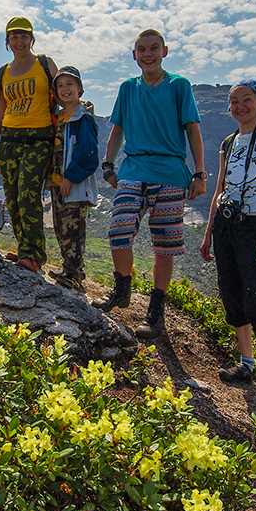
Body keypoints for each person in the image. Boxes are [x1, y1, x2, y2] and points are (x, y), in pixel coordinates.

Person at [93, 29, 207, 338]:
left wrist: (199, 172)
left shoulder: (178, 85)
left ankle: (155, 313)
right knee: (119, 228)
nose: (148, 54)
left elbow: (192, 130)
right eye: (141, 49)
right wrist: (108, 164)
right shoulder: (128, 88)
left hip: (170, 171)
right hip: (133, 168)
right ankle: (122, 289)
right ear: (134, 55)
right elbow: (117, 130)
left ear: (164, 51)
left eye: (153, 48)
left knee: (165, 245)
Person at [200, 79, 256, 414]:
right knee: (232, 293)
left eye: (246, 100)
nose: (239, 106)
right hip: (226, 226)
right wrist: (209, 232)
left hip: (255, 227)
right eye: (233, 101)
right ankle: (247, 363)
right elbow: (220, 188)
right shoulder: (228, 141)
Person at [0, 17, 58, 274]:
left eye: (24, 36)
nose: (19, 41)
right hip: (9, 140)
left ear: (32, 38)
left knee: (28, 195)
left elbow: (60, 93)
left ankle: (34, 256)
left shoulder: (45, 64)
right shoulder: (4, 72)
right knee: (13, 200)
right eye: (14, 36)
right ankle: (25, 247)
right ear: (7, 40)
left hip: (38, 139)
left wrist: (78, 106)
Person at [48, 66, 100, 291]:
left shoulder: (82, 118)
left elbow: (89, 154)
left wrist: (69, 177)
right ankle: (68, 269)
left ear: (80, 88)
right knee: (61, 227)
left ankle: (75, 273)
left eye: (70, 84)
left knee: (74, 228)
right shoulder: (59, 117)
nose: (64, 89)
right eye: (60, 85)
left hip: (73, 184)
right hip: (58, 183)